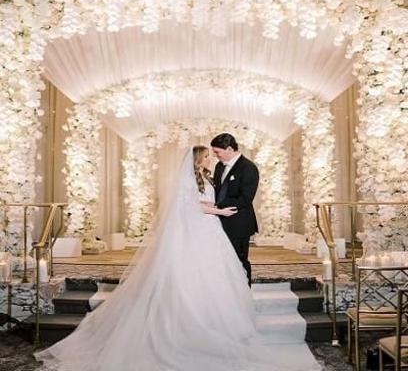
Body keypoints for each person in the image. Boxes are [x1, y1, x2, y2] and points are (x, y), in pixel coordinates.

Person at [35, 146, 320, 371]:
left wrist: (215, 208)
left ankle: (216, 322)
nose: (211, 158)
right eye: (206, 156)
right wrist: (220, 211)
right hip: (200, 229)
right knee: (194, 274)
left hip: (210, 230)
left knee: (216, 275)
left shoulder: (206, 176)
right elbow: (192, 206)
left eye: (212, 154)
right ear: (198, 160)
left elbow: (204, 200)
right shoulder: (190, 180)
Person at [211, 133, 259, 286]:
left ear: (230, 149)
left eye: (217, 152)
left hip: (239, 223)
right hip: (220, 221)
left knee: (239, 260)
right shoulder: (219, 166)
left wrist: (220, 206)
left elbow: (246, 198)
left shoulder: (248, 168)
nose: (215, 155)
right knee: (222, 261)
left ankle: (244, 292)